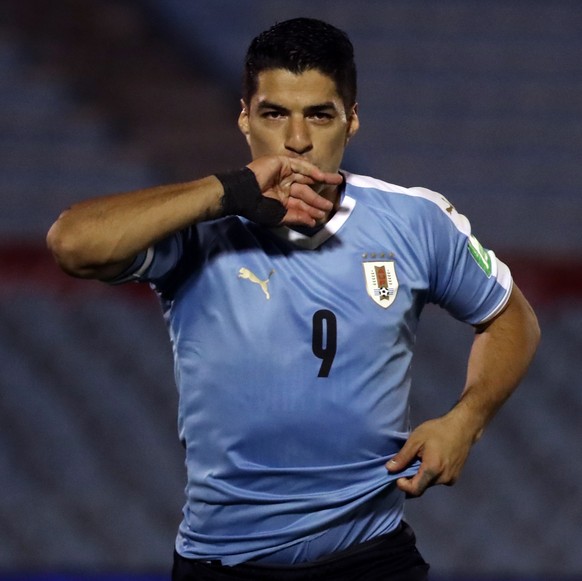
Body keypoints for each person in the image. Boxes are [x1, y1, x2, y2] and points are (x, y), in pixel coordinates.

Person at [47, 17, 540, 581]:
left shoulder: (415, 221)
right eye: (274, 113)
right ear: (244, 117)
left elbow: (510, 317)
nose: (298, 140)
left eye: (320, 115)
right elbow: (72, 244)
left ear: (352, 121)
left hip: (370, 558)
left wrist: (465, 421)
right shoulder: (197, 224)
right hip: (223, 562)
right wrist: (228, 192)